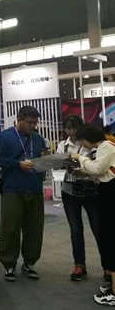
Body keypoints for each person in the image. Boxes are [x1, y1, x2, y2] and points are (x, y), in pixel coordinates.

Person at [0, 105, 47, 282]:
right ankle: (9, 264)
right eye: (29, 122)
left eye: (35, 123)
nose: (33, 126)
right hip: (12, 188)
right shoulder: (5, 137)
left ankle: (30, 262)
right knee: (10, 228)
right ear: (19, 120)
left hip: (35, 188)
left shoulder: (38, 138)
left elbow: (42, 159)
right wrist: (18, 164)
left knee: (34, 228)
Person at [70, 124, 115, 306]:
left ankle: (114, 293)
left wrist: (80, 158)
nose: (83, 145)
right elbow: (101, 170)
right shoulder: (106, 146)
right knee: (107, 237)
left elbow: (98, 169)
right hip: (106, 192)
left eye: (82, 141)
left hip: (110, 194)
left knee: (110, 238)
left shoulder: (106, 147)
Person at [57, 115, 101, 281]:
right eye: (68, 128)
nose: (71, 131)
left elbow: (98, 165)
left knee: (98, 228)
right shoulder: (62, 145)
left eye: (74, 127)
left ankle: (108, 267)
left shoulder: (91, 143)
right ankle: (79, 265)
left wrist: (83, 167)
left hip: (91, 190)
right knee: (75, 230)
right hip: (69, 190)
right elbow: (59, 164)